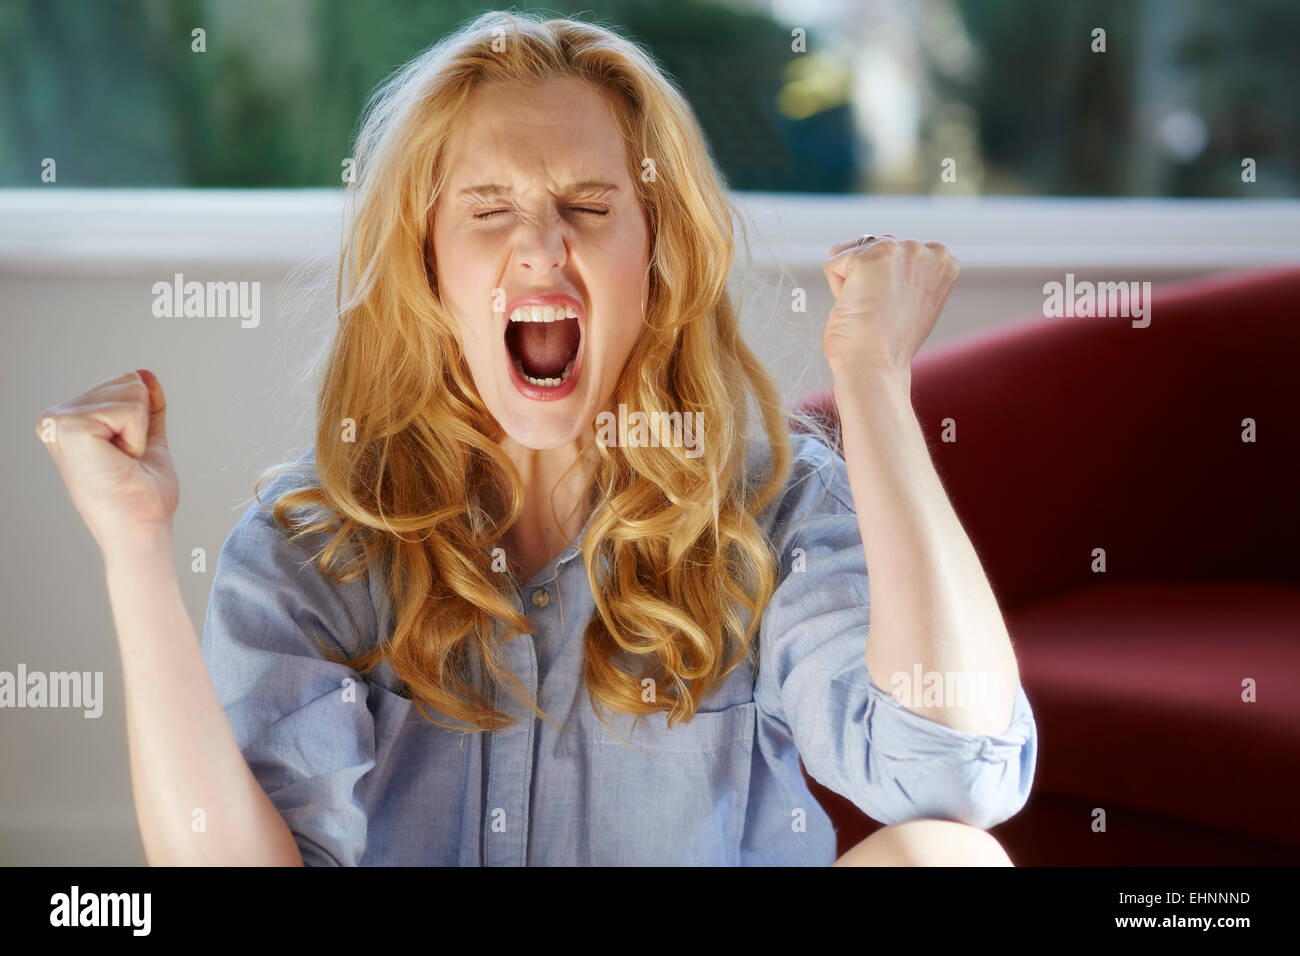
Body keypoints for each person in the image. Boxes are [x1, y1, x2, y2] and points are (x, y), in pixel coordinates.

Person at [36, 10, 1036, 866]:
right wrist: (132, 547)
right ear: (429, 266)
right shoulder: (314, 542)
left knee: (950, 856)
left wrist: (873, 379)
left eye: (589, 207)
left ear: (656, 257)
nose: (540, 245)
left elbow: (953, 770)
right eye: (489, 207)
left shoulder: (768, 507)